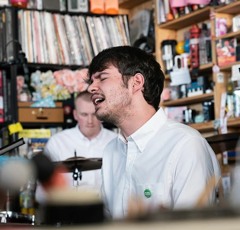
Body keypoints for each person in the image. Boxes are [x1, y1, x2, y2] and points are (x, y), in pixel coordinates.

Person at [87, 46, 221, 219]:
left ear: (136, 82)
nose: (91, 88)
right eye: (91, 81)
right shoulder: (111, 151)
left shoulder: (185, 145)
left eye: (102, 78)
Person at [36, 91, 117, 202]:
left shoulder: (116, 141)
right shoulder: (57, 142)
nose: (90, 121)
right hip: (67, 210)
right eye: (84, 114)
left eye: (94, 114)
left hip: (106, 212)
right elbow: (42, 191)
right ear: (75, 115)